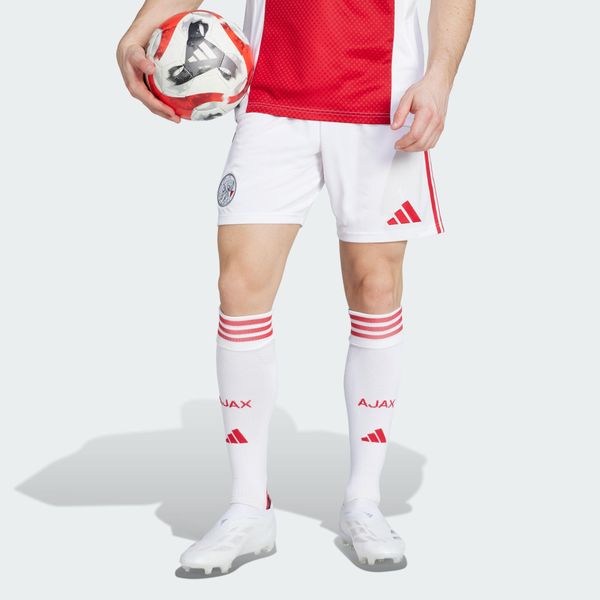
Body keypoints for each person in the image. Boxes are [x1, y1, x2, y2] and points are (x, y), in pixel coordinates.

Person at [117, 0, 475, 574]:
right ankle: (247, 507)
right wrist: (135, 34)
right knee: (239, 285)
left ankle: (364, 501)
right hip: (271, 98)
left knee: (376, 286)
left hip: (382, 97)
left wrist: (438, 78)